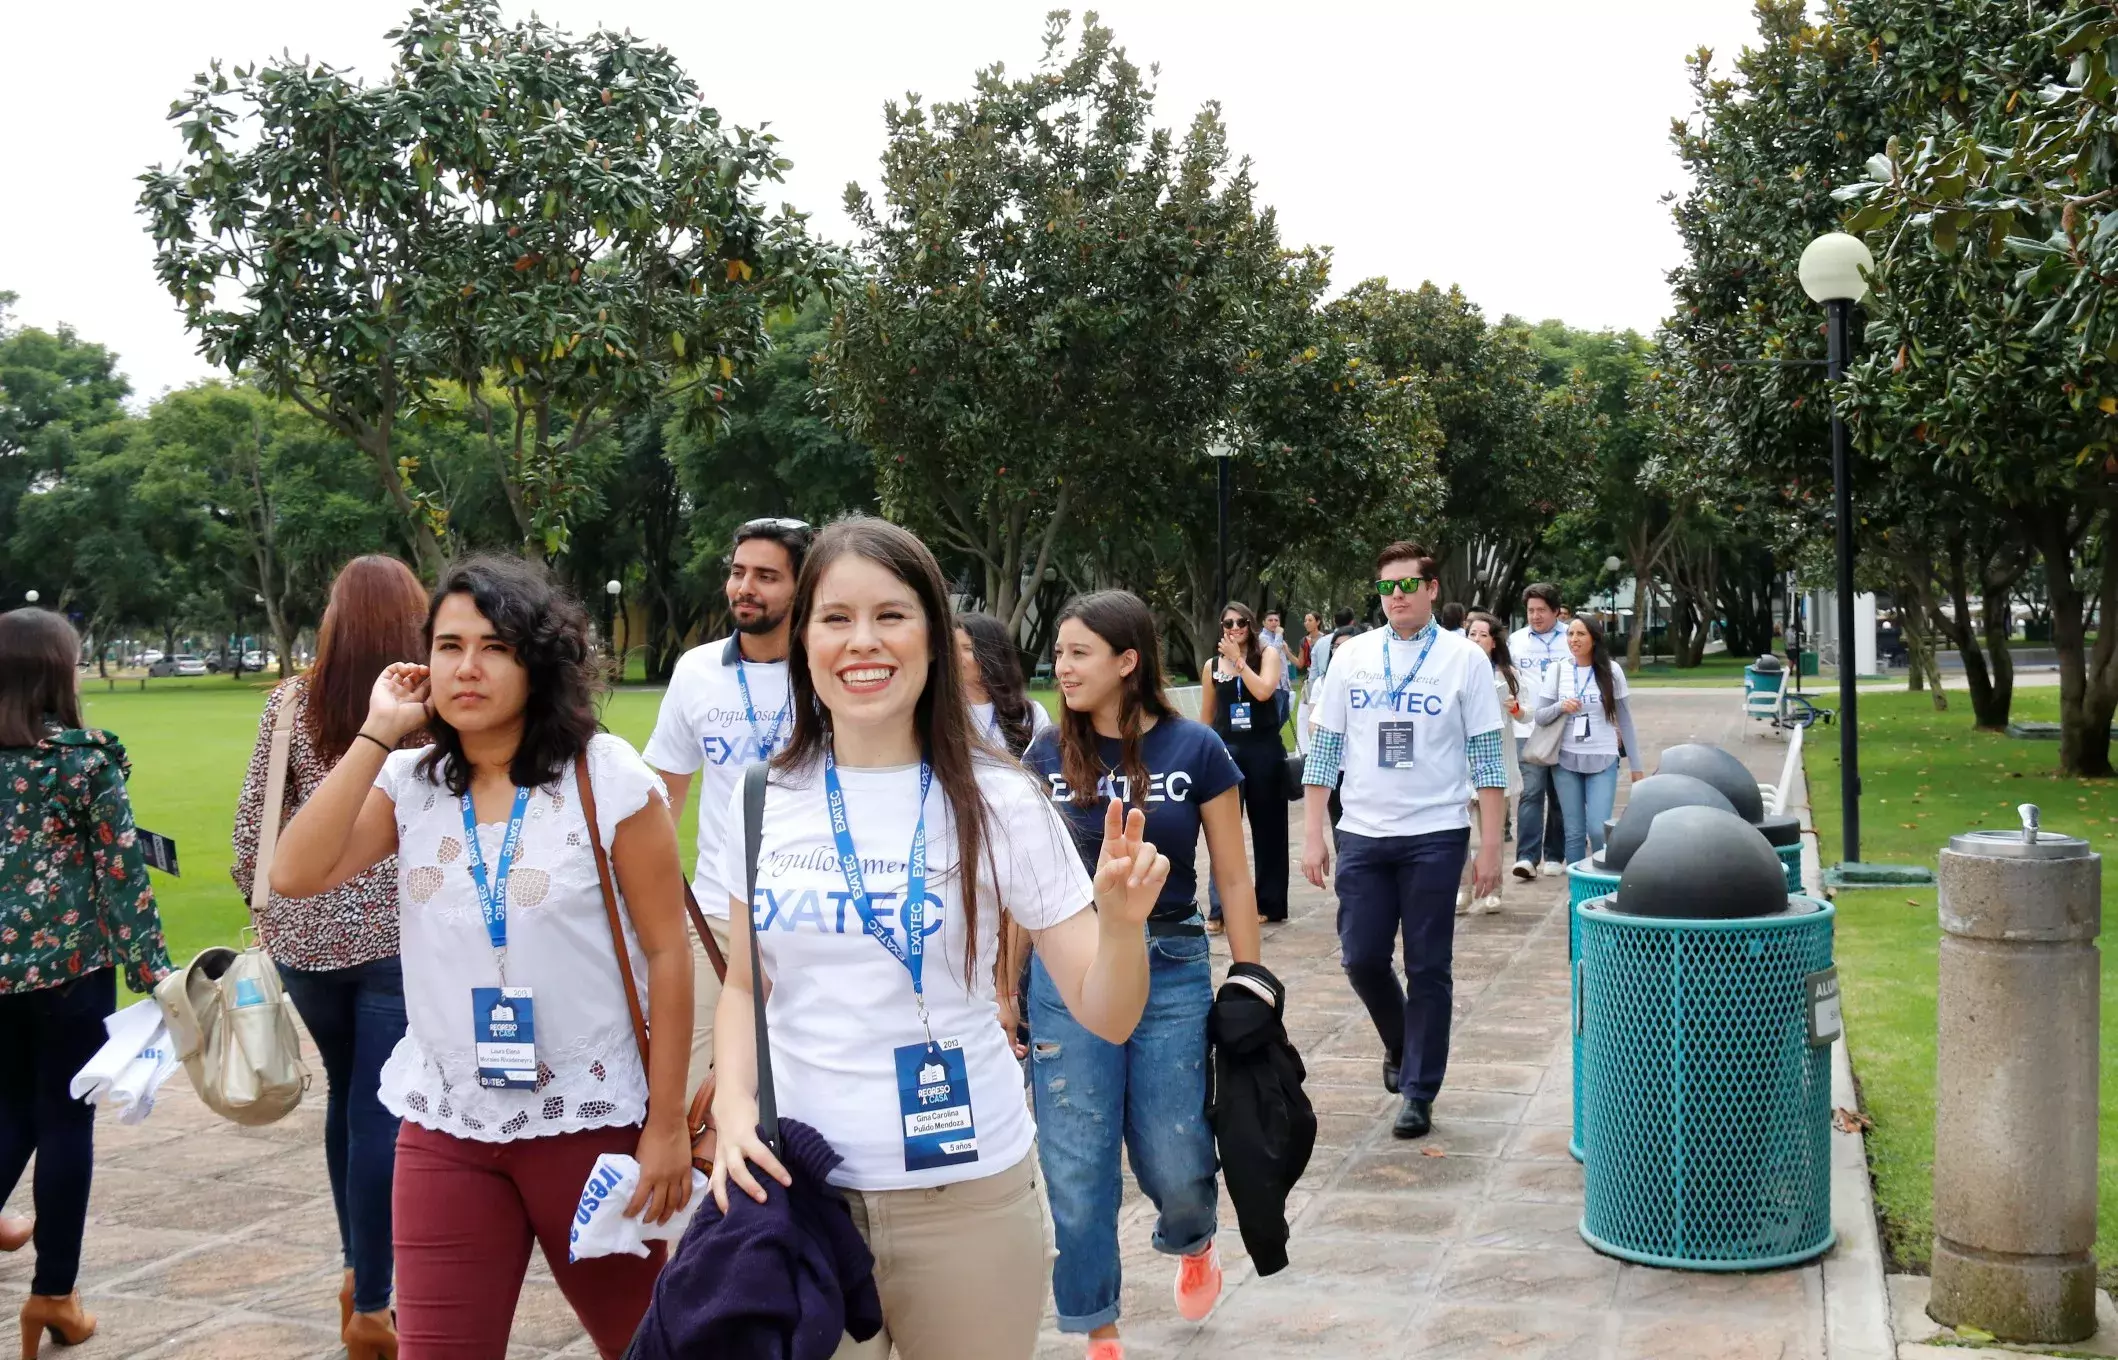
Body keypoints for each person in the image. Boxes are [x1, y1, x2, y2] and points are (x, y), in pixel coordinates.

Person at [705, 516, 1169, 1360]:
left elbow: (1106, 1014)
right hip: (804, 1195)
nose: (863, 642)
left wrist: (1126, 929)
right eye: (836, 618)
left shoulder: (1001, 801)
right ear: (804, 637)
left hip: (969, 1203)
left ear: (933, 638)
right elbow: (744, 985)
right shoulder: (758, 797)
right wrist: (734, 1108)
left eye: (891, 615)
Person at [271, 557, 695, 1360]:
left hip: (589, 1120)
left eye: (495, 646)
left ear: (538, 661)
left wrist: (666, 1126)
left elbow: (669, 954)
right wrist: (377, 732)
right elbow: (296, 872)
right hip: (447, 1123)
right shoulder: (412, 780)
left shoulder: (606, 776)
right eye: (448, 645)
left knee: (647, 1348)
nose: (467, 667)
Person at [1024, 590, 1261, 1356]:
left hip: (1172, 963)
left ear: (1128, 662)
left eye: (1078, 652)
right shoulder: (1042, 758)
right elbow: (1016, 887)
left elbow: (1233, 875)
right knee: (1076, 1154)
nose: (1062, 667)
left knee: (1175, 1148)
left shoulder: (1196, 749)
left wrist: (1252, 978)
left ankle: (1192, 1237)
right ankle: (1098, 1325)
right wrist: (1003, 990)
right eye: (1058, 653)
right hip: (1067, 968)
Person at [230, 555, 426, 1359]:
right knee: (383, 1112)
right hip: (399, 938)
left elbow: (254, 829)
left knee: (350, 1098)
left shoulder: (289, 703)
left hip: (307, 938)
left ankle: (358, 1271)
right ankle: (374, 1302)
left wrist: (266, 907)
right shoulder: (424, 708)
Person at [0, 609, 174, 1353]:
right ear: (56, 674)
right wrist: (157, 975)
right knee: (66, 1119)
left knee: (9, 1109)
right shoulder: (82, 763)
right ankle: (53, 1295)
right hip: (72, 970)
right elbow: (122, 879)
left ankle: (53, 1297)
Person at [1300, 543, 1506, 1140]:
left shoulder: (1464, 659)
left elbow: (1488, 757)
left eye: (1408, 585)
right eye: (1387, 586)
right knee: (1361, 956)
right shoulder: (1353, 657)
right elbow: (1326, 749)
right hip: (1363, 832)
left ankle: (1419, 1088)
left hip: (1436, 833)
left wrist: (1489, 845)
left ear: (1432, 589)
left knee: (1429, 967)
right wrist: (1313, 833)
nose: (1396, 596)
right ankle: (1401, 1042)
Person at [645, 517, 810, 1097]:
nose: (746, 587)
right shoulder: (696, 670)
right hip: (714, 916)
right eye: (739, 572)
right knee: (692, 1086)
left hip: (809, 912)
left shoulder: (828, 673)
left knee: (798, 1086)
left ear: (803, 586)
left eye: (767, 576)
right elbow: (665, 790)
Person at [1199, 602, 1289, 926]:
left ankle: (1270, 902)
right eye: (1228, 624)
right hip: (1227, 752)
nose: (1234, 628)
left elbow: (1264, 691)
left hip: (1264, 749)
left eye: (1240, 622)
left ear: (1251, 625)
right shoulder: (1212, 666)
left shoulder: (1268, 655)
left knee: (1269, 830)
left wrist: (1239, 661)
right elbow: (1207, 717)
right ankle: (1219, 908)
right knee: (1223, 831)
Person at [1531, 615, 1646, 864]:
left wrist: (1636, 766)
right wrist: (1561, 706)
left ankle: (1599, 888)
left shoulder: (1612, 671)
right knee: (1573, 833)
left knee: (1597, 829)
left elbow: (1625, 721)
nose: (1574, 639)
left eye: (1580, 634)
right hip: (1565, 760)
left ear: (1594, 639)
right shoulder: (1557, 670)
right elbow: (1540, 717)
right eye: (1570, 634)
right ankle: (1576, 896)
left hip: (1603, 757)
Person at [1458, 612, 1524, 916]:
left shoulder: (1506, 673)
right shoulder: (1456, 670)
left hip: (1497, 762)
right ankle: (1463, 889)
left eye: (1483, 634)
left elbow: (1527, 712)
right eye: (1472, 633)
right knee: (1458, 831)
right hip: (1461, 765)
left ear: (1494, 641)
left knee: (1492, 832)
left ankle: (1495, 889)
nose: (1476, 639)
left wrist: (1516, 709)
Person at [1508, 583, 1570, 881]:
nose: (1535, 616)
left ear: (1556, 611)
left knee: (1559, 793)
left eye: (1541, 610)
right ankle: (1526, 857)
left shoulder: (1571, 637)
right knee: (1531, 792)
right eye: (1531, 610)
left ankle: (1555, 855)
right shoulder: (1516, 642)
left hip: (1563, 727)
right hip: (1527, 727)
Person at [954, 612, 1053, 757]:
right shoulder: (938, 710)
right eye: (952, 649)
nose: (956, 657)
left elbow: (1048, 767)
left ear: (993, 654)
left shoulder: (1029, 714)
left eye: (967, 649)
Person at [1259, 610, 1296, 730]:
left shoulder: (1278, 638)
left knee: (1284, 717)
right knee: (1274, 719)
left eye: (1276, 620)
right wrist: (1279, 635)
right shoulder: (1262, 638)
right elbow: (1273, 653)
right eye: (1270, 620)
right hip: (1273, 687)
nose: (1274, 623)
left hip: (1284, 685)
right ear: (1264, 623)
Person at [1293, 612, 1323, 755]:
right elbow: (1300, 664)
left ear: (1318, 622)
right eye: (1305, 620)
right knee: (1303, 715)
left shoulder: (1325, 639)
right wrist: (1287, 651)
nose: (1306, 623)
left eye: (1310, 620)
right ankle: (1303, 750)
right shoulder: (1303, 641)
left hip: (1321, 680)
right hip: (1308, 680)